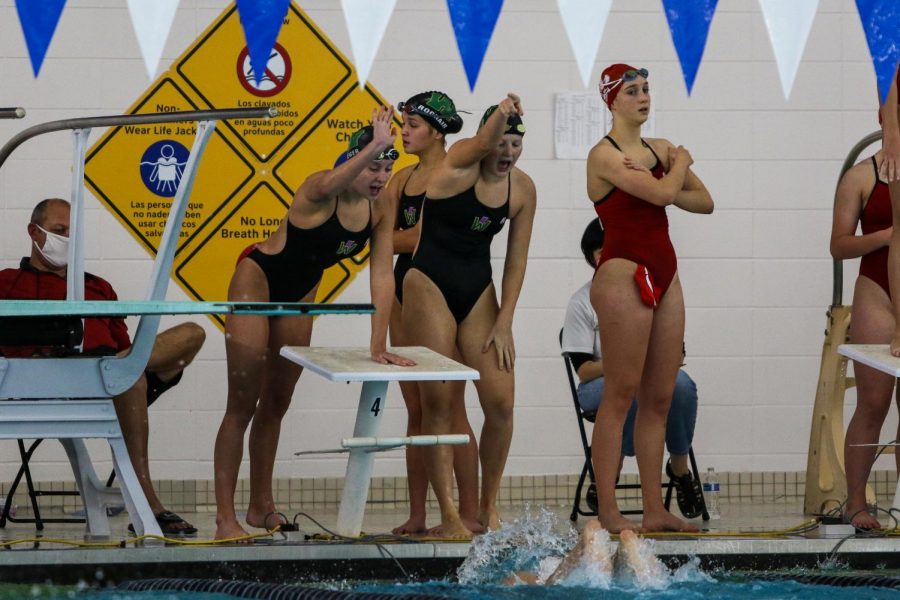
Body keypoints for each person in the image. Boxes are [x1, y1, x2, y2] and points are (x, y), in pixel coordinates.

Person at [214, 107, 414, 540]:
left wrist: (378, 344)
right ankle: (224, 517)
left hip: (301, 293)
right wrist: (373, 147)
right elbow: (334, 179)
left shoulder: (381, 208)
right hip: (258, 281)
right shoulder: (319, 189)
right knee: (241, 404)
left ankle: (259, 506)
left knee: (277, 403)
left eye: (386, 167)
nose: (379, 176)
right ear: (352, 162)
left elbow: (382, 276)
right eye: (373, 165)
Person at [0, 198, 205, 536]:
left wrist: (118, 362)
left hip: (101, 381)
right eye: (58, 231)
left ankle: (113, 371)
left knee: (190, 335)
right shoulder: (7, 284)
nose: (67, 238)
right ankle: (150, 505)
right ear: (34, 233)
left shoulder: (98, 287)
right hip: (32, 384)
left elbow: (124, 348)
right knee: (129, 378)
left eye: (72, 231)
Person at [403, 93, 536, 538]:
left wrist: (505, 322)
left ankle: (486, 507)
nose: (508, 153)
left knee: (501, 403)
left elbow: (516, 261)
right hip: (427, 283)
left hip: (479, 291)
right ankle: (449, 515)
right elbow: (479, 142)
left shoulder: (522, 189)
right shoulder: (459, 161)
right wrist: (501, 113)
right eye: (502, 143)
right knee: (437, 402)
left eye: (516, 145)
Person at [587, 64, 713, 533]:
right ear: (612, 101)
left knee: (659, 396)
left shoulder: (658, 150)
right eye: (633, 91)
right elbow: (664, 194)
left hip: (666, 271)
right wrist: (681, 164)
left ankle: (655, 509)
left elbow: (704, 202)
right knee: (620, 395)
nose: (643, 97)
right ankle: (609, 510)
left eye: (646, 89)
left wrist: (672, 170)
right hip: (623, 272)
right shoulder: (604, 156)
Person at [562, 219, 704, 520]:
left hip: (642, 377)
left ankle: (679, 467)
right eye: (600, 252)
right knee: (630, 388)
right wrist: (630, 364)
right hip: (599, 383)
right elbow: (584, 370)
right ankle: (612, 471)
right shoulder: (583, 301)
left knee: (680, 385)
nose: (607, 258)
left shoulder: (654, 289)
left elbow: (674, 356)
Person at [386, 91, 481, 535]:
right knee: (416, 409)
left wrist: (381, 239)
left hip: (440, 288)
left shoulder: (450, 176)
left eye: (412, 125)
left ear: (437, 132)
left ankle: (470, 511)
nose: (403, 131)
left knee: (451, 405)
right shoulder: (401, 179)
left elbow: (414, 238)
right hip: (404, 290)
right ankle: (420, 512)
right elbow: (382, 232)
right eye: (403, 124)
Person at [831, 149, 895, 530]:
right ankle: (855, 503)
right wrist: (887, 236)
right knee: (873, 403)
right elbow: (838, 245)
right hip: (878, 292)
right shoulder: (860, 177)